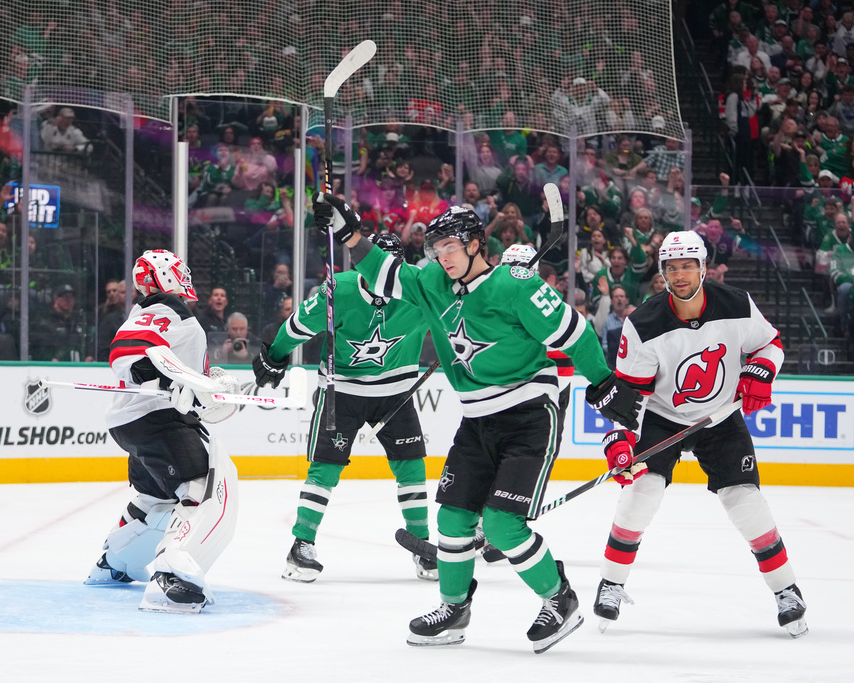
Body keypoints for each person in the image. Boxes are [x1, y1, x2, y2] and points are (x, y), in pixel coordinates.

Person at [315, 194, 641, 653]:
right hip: (476, 420)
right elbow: (387, 274)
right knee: (452, 517)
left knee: (503, 525)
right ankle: (454, 609)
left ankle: (559, 598)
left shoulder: (517, 285)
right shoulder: (432, 281)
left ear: (475, 244)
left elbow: (574, 332)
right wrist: (351, 233)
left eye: (450, 246)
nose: (441, 256)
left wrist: (603, 381)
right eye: (435, 248)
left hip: (528, 416)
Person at [592, 230, 808, 639]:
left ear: (703, 267)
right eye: (672, 268)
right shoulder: (644, 322)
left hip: (720, 417)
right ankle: (612, 583)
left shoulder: (736, 304)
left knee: (746, 501)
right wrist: (620, 438)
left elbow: (771, 344)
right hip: (661, 418)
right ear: (662, 273)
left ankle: (786, 590)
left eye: (688, 266)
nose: (680, 275)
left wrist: (761, 370)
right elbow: (630, 393)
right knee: (641, 494)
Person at [252, 233, 436, 583]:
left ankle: (422, 547)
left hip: (395, 393)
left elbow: (461, 312)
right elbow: (297, 326)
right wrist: (275, 356)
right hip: (343, 391)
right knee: (325, 469)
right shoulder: (337, 291)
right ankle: (301, 545)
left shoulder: (420, 291)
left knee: (412, 467)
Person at [84, 249, 241, 614]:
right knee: (206, 486)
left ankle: (116, 563)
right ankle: (175, 579)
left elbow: (164, 363)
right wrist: (163, 374)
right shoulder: (168, 306)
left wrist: (205, 385)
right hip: (159, 419)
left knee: (155, 497)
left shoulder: (151, 311)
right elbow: (129, 351)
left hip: (134, 423)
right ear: (168, 277)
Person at [30, 284, 94, 362]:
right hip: (54, 368)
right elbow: (39, 349)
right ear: (56, 299)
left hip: (77, 368)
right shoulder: (46, 322)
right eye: (65, 297)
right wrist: (50, 359)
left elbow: (86, 343)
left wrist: (89, 355)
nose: (68, 300)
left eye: (71, 297)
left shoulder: (77, 322)